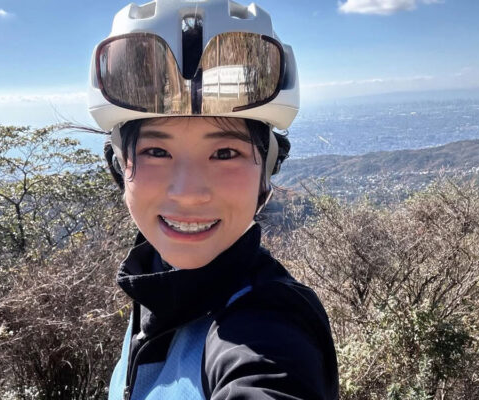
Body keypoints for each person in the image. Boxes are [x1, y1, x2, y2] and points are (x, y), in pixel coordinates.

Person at [87, 0, 339, 398]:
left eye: (224, 153)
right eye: (157, 151)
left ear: (266, 170)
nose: (188, 193)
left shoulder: (268, 323)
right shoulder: (155, 283)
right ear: (120, 166)